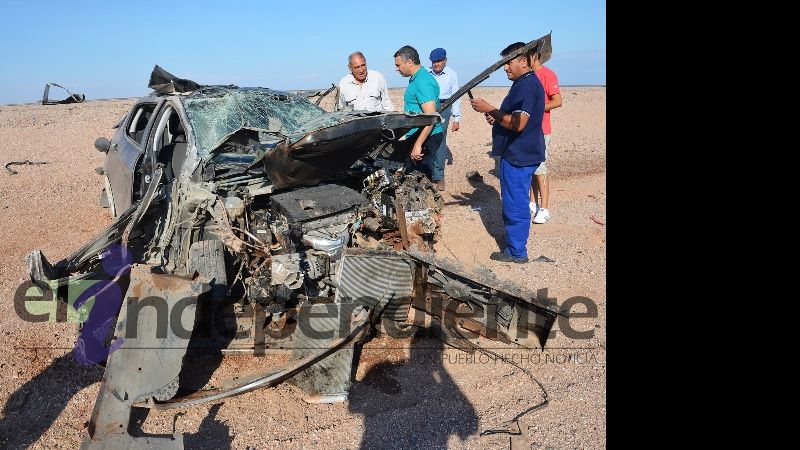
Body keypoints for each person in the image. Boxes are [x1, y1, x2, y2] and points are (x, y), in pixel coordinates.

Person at [470, 42, 545, 264]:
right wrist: (497, 117)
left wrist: (489, 108)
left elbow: (519, 123)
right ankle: (515, 246)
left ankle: (517, 252)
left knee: (516, 204)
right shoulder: (523, 83)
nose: (505, 68)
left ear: (523, 61)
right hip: (518, 152)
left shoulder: (527, 86)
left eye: (508, 62)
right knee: (515, 200)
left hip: (518, 155)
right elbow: (513, 117)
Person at [393, 45, 443, 183]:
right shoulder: (417, 78)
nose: (397, 69)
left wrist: (418, 144)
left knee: (421, 179)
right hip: (418, 134)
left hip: (426, 136)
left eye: (398, 65)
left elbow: (431, 117)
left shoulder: (423, 81)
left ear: (409, 62)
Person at [529, 51, 562, 224]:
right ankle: (532, 203)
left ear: (535, 56)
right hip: (528, 130)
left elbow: (558, 101)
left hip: (542, 129)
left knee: (541, 169)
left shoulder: (548, 74)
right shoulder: (528, 76)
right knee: (532, 168)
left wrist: (537, 108)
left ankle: (545, 208)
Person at [427, 47, 461, 191]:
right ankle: (426, 174)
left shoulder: (451, 74)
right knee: (425, 139)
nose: (436, 64)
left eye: (439, 61)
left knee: (439, 140)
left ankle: (439, 177)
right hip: (428, 106)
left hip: (445, 107)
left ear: (445, 60)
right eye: (434, 62)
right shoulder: (426, 74)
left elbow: (456, 96)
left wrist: (456, 118)